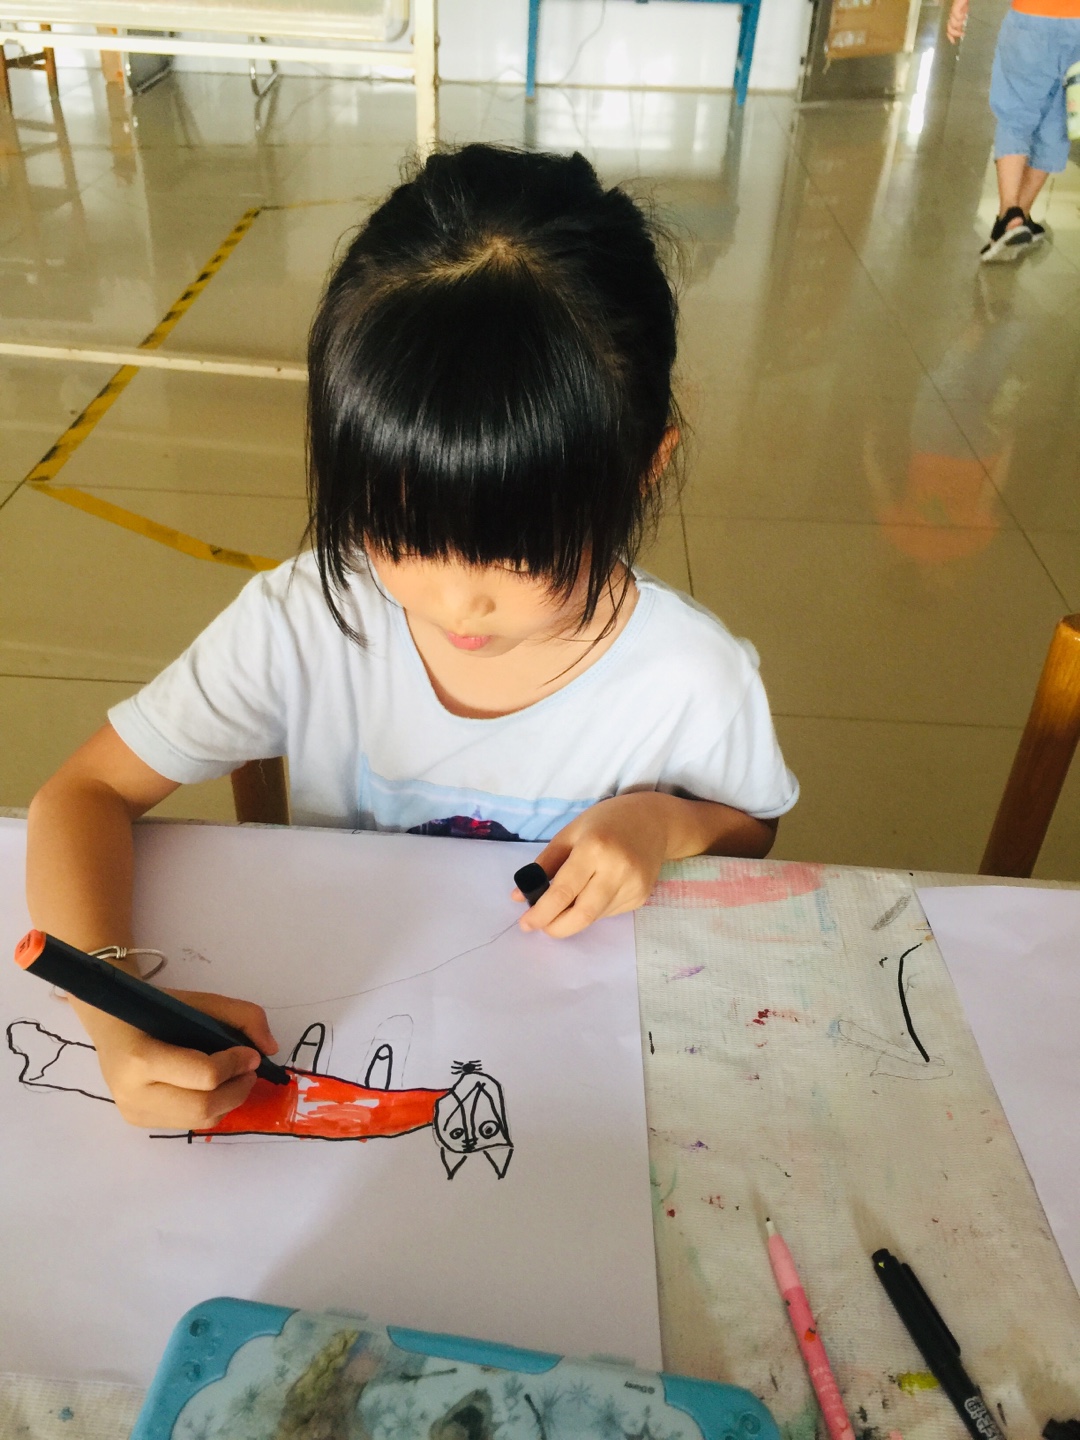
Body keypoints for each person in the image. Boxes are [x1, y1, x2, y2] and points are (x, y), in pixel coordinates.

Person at [25, 144, 798, 1131]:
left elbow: (752, 830)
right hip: (350, 999)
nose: (454, 604)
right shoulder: (309, 617)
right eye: (401, 537)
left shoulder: (690, 675)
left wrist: (662, 824)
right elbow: (82, 794)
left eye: (514, 555)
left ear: (644, 467)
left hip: (571, 1070)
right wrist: (114, 1011)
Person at [948, 0, 1080, 261]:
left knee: (1015, 115)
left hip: (1032, 18)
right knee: (1059, 121)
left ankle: (1010, 213)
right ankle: (1023, 215)